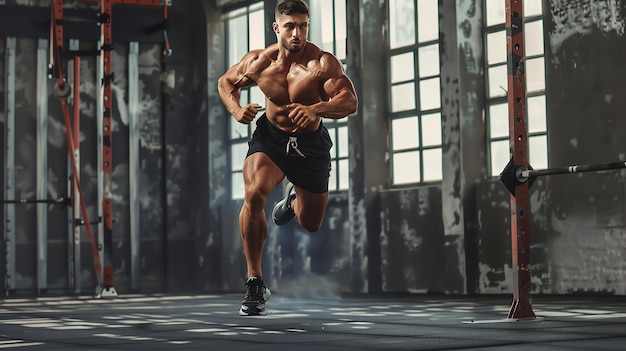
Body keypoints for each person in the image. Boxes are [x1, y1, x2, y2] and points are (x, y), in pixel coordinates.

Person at [217, 0, 358, 316]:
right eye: (291, 25)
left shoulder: (321, 63)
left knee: (310, 223)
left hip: (311, 144)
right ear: (276, 27)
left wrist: (315, 109)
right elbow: (225, 82)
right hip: (272, 139)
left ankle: (292, 202)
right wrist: (237, 109)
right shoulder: (259, 62)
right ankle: (255, 281)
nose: (298, 33)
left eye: (303, 25)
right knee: (253, 194)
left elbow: (349, 101)